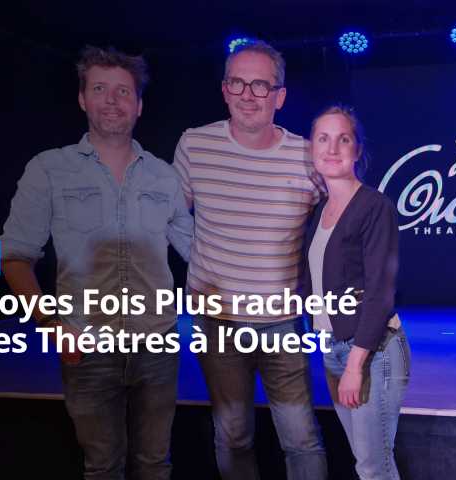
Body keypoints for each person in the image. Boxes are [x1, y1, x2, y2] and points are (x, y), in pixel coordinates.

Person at [0, 46, 192, 480]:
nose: (112, 100)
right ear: (82, 99)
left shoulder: (164, 176)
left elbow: (198, 250)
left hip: (158, 346)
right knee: (102, 468)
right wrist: (52, 326)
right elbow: (14, 256)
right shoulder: (48, 169)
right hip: (85, 347)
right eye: (100, 88)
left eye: (123, 91)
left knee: (154, 465)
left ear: (139, 106)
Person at [172, 40, 327, 480]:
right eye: (238, 83)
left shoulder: (306, 155)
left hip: (282, 320)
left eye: (261, 85)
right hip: (216, 322)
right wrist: (202, 261)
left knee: (301, 437)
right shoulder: (195, 144)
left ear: (280, 96)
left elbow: (338, 226)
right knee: (233, 435)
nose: (248, 94)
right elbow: (169, 217)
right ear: (224, 89)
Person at [301, 105, 411, 480]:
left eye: (343, 139)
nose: (332, 148)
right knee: (372, 463)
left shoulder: (374, 207)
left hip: (371, 354)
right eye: (323, 138)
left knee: (371, 466)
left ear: (357, 149)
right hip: (334, 349)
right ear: (312, 147)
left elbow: (380, 293)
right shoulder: (320, 210)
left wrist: (354, 365)